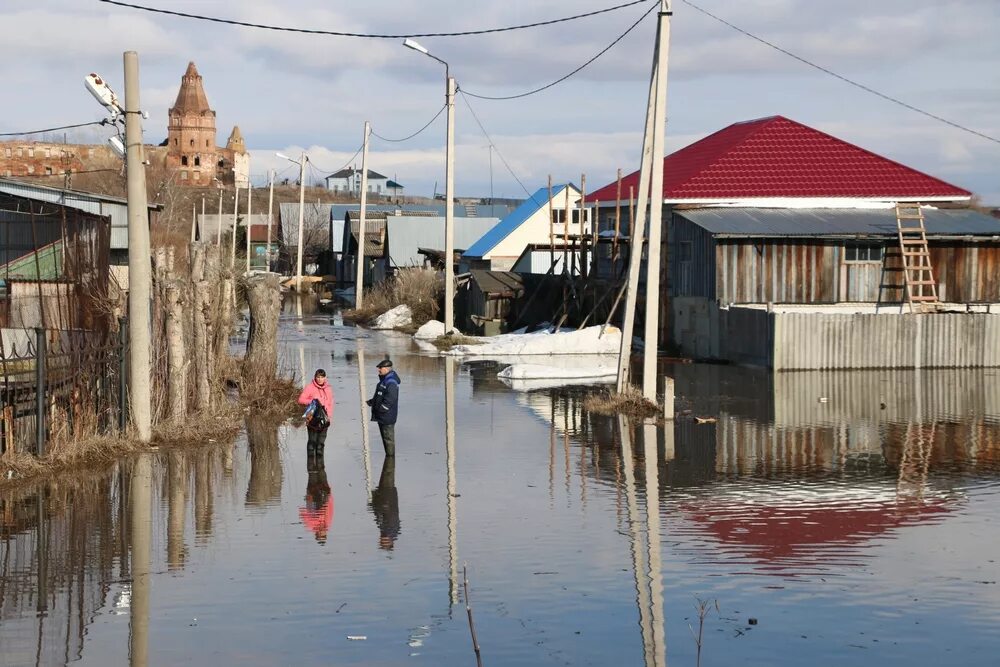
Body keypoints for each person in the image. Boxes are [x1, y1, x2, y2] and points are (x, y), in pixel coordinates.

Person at [367, 359, 401, 457]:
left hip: (387, 417)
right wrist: (372, 402)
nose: (379, 370)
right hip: (382, 416)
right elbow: (380, 396)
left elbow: (391, 399)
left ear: (386, 369)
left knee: (388, 440)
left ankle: (390, 460)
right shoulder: (384, 381)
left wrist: (382, 409)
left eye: (380, 368)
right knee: (385, 440)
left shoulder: (391, 382)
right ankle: (388, 460)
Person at [298, 369, 334, 457]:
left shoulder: (328, 388)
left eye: (322, 377)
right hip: (312, 418)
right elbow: (300, 400)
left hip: (324, 418)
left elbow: (331, 403)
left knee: (321, 443)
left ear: (325, 378)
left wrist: (329, 416)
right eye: (318, 377)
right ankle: (311, 468)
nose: (320, 379)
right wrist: (312, 401)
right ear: (315, 377)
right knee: (312, 441)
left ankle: (321, 467)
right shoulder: (309, 387)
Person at [299, 458, 334, 545]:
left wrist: (310, 496)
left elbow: (307, 509)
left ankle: (312, 452)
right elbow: (330, 506)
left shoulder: (311, 524)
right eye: (324, 532)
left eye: (321, 532)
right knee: (322, 471)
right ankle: (320, 451)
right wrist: (329, 494)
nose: (323, 530)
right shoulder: (328, 522)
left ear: (317, 533)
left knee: (313, 472)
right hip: (323, 491)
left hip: (313, 492)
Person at [370, 455, 400, 550]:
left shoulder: (387, 529)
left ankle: (390, 457)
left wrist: (374, 505)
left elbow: (381, 513)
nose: (380, 540)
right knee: (388, 470)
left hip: (385, 494)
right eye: (383, 542)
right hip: (387, 494)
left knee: (387, 470)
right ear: (389, 541)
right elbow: (387, 511)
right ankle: (390, 456)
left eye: (381, 542)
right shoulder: (390, 528)